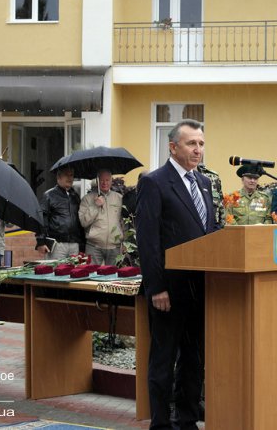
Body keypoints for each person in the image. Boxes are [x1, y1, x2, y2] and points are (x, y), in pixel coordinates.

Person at [135, 119, 219, 429]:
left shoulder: (205, 183)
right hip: (168, 291)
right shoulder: (154, 182)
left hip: (200, 287)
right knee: (163, 360)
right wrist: (157, 287)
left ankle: (187, 420)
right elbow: (148, 239)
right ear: (173, 147)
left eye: (201, 144)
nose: (198, 149)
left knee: (194, 360)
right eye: (191, 144)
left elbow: (207, 231)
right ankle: (160, 423)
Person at [35, 166, 85, 260]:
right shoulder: (49, 196)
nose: (70, 178)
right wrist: (41, 242)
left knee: (73, 273)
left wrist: (82, 244)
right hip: (57, 245)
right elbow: (41, 219)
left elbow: (79, 221)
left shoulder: (75, 196)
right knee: (56, 272)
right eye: (67, 175)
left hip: (74, 244)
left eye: (72, 175)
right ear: (59, 177)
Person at [78, 169, 124, 265]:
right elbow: (83, 222)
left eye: (107, 180)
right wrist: (95, 206)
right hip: (94, 246)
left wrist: (124, 241)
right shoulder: (87, 199)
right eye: (102, 180)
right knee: (91, 276)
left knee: (113, 277)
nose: (104, 183)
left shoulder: (119, 198)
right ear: (97, 181)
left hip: (114, 247)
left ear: (111, 181)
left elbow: (124, 222)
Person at [198, 163, 225, 228]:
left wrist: (222, 228)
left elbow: (220, 204)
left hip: (214, 227)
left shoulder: (212, 177)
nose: (197, 152)